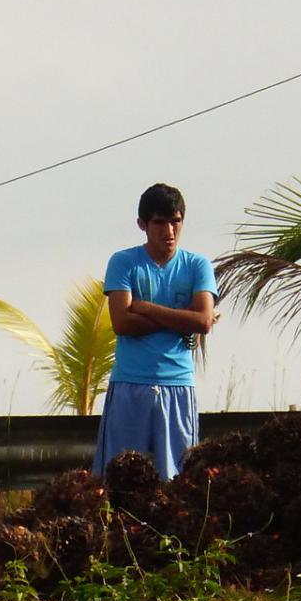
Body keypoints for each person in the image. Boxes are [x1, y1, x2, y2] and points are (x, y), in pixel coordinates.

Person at [94, 184, 217, 481]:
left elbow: (202, 322)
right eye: (160, 222)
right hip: (130, 385)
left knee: (176, 481)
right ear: (143, 225)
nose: (169, 231)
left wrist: (148, 308)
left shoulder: (197, 264)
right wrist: (181, 316)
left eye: (175, 221)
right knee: (120, 481)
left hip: (178, 386)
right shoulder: (124, 262)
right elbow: (122, 323)